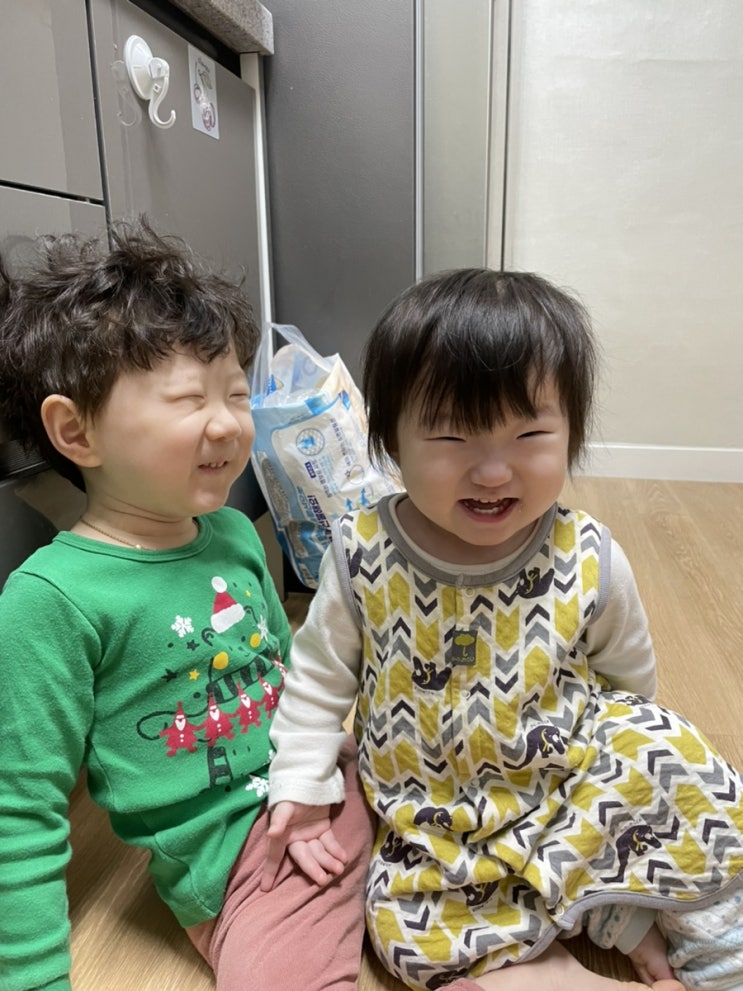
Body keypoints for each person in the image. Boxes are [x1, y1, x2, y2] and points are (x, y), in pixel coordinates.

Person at [262, 269, 743, 991]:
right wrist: (299, 785)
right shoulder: (362, 552)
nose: (492, 471)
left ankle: (712, 947)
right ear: (388, 439)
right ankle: (583, 939)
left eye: (529, 434)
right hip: (435, 817)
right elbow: (317, 680)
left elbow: (630, 683)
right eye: (451, 435)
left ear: (571, 432)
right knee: (405, 936)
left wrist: (620, 771)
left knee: (669, 756)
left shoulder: (587, 555)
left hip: (564, 783)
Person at [0, 220, 373, 991]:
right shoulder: (52, 599)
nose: (229, 422)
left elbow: (294, 675)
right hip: (239, 860)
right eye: (187, 400)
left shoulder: (232, 533)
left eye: (235, 392)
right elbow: (20, 809)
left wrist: (321, 771)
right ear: (76, 431)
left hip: (324, 780)